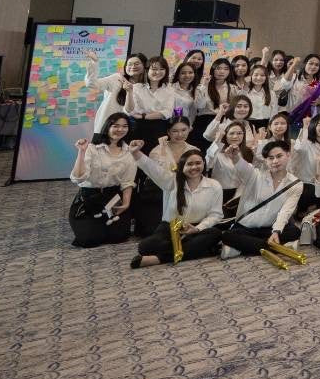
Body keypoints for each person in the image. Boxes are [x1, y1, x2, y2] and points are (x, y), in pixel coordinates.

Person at [129, 144, 224, 267]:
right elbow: (152, 168)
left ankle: (159, 259)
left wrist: (197, 228)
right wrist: (136, 153)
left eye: (198, 163)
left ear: (204, 164)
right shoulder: (172, 181)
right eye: (189, 164)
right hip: (172, 226)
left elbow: (216, 215)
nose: (194, 167)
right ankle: (201, 250)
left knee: (215, 233)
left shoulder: (214, 185)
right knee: (145, 247)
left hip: (197, 227)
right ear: (182, 166)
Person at [68, 114, 138, 247]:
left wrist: (126, 204)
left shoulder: (128, 151)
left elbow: (127, 182)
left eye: (124, 126)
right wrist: (81, 152)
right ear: (107, 127)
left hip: (112, 197)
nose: (120, 130)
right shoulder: (92, 148)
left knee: (119, 237)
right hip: (89, 197)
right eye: (116, 126)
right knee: (89, 240)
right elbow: (78, 178)